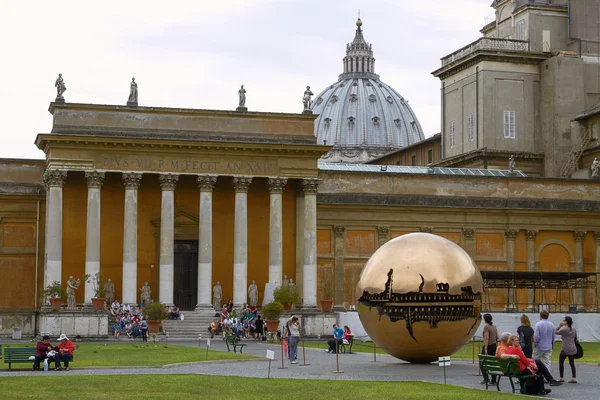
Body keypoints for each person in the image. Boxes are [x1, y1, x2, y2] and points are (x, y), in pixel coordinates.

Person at [555, 316, 577, 383]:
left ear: (566, 322)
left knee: (561, 362)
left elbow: (555, 332)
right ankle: (574, 377)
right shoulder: (573, 329)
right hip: (572, 347)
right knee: (572, 363)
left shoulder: (564, 329)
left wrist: (560, 325)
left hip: (565, 348)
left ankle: (561, 377)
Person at [480, 314, 499, 384]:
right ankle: (494, 380)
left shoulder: (486, 327)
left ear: (485, 320)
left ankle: (486, 378)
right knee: (493, 363)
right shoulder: (494, 327)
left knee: (482, 362)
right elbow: (497, 336)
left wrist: (485, 348)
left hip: (489, 346)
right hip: (494, 346)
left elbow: (486, 338)